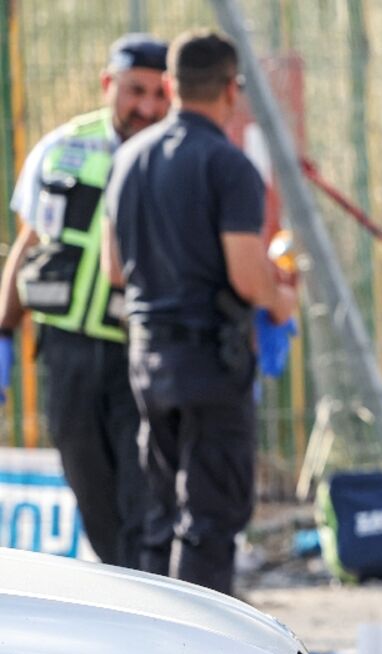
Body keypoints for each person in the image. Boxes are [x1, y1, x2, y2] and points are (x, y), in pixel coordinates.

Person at [102, 29, 297, 595]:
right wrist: (281, 299)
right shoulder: (228, 165)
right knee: (210, 520)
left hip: (146, 357)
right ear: (231, 90)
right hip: (210, 361)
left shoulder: (129, 158)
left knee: (160, 516)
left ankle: (148, 652)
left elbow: (115, 269)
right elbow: (247, 275)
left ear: (171, 85)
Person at [0, 34, 169, 568]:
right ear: (108, 85)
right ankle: (126, 598)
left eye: (159, 94)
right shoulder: (64, 148)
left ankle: (149, 606)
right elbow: (30, 243)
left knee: (142, 498)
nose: (145, 107)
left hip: (138, 356)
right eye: (134, 91)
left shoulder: (174, 158)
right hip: (66, 355)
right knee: (91, 491)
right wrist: (2, 336)